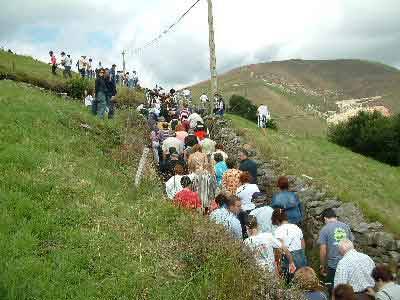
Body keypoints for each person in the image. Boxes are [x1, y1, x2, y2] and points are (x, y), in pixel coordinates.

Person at [319, 208, 354, 291]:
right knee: (346, 288)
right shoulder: (346, 226)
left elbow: (323, 249)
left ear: (325, 218)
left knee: (332, 288)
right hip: (348, 262)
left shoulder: (325, 229)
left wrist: (322, 265)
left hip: (333, 265)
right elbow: (351, 244)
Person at [272, 209, 307, 280]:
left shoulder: (278, 231)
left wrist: (289, 261)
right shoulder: (296, 227)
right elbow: (302, 243)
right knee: (303, 279)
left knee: (291, 282)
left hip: (288, 258)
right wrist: (302, 255)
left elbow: (281, 248)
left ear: (276, 220)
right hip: (301, 256)